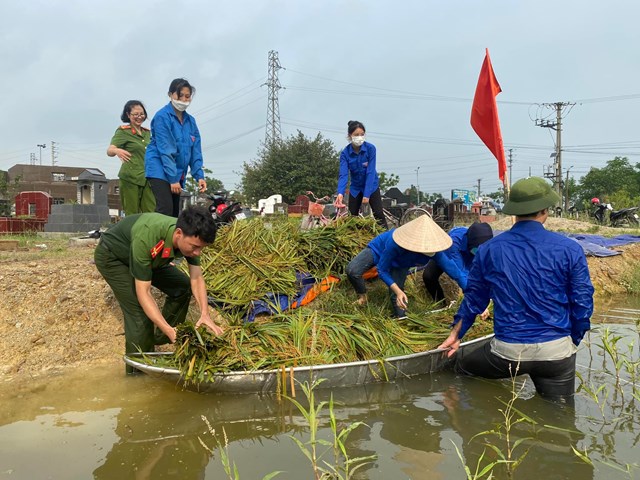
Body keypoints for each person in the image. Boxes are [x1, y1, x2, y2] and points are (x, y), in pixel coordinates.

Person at [439, 177, 594, 402]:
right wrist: (572, 341)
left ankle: (469, 419)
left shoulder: (489, 250)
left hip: (508, 352)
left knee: (462, 369)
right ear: (545, 210)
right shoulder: (570, 248)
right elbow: (583, 302)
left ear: (515, 212)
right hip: (557, 352)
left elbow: (474, 301)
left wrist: (456, 335)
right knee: (560, 417)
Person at [94, 205, 223, 373]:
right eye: (194, 247)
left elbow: (196, 278)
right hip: (115, 258)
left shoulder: (189, 238)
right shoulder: (148, 236)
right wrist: (168, 328)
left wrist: (205, 314)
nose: (198, 253)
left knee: (182, 287)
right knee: (139, 313)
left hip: (151, 259)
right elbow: (144, 293)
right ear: (178, 234)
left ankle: (162, 336)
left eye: (201, 248)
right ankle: (138, 373)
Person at [346, 214, 462, 318]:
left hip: (400, 264)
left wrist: (471, 293)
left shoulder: (435, 252)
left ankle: (399, 317)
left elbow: (456, 273)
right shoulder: (395, 242)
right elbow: (382, 269)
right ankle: (363, 297)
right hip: (378, 250)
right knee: (352, 270)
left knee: (398, 303)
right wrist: (398, 291)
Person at [145, 78, 207, 217]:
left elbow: (195, 150)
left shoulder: (191, 121)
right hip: (160, 168)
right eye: (180, 95)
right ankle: (153, 238)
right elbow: (166, 150)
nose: (184, 99)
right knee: (165, 209)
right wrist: (173, 179)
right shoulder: (162, 117)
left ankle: (170, 239)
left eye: (187, 96)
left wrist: (199, 176)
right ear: (171, 94)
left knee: (174, 213)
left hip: (178, 170)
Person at [422, 222, 494, 305]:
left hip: (469, 254)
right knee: (429, 276)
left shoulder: (487, 246)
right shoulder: (454, 242)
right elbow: (459, 272)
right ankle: (441, 304)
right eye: (478, 250)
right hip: (448, 254)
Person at [107, 100, 156, 215]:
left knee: (151, 213)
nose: (139, 117)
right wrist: (116, 150)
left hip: (147, 178)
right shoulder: (123, 132)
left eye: (142, 114)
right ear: (128, 115)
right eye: (135, 114)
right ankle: (130, 233)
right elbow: (109, 150)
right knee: (131, 214)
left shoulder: (148, 133)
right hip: (130, 178)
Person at [334, 120, 387, 228]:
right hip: (356, 188)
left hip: (371, 186)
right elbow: (344, 175)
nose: (359, 137)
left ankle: (387, 239)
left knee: (378, 214)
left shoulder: (370, 149)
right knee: (352, 218)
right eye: (356, 135)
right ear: (350, 136)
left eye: (362, 134)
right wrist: (340, 193)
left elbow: (371, 172)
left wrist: (367, 195)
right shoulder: (345, 153)